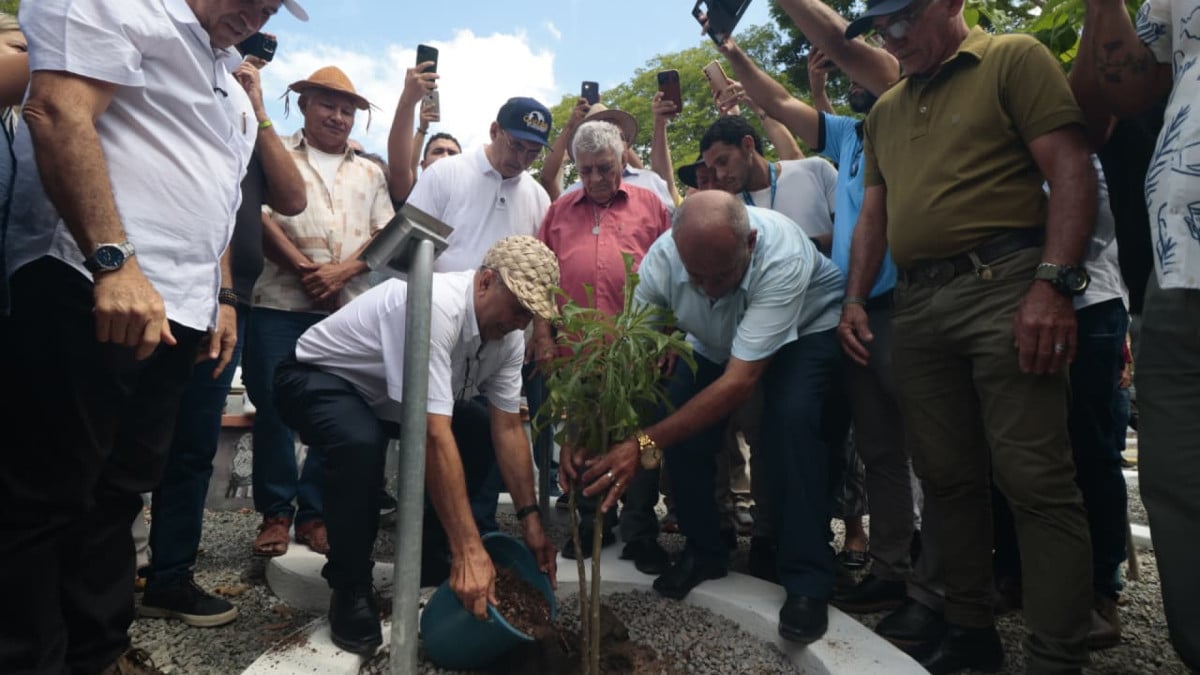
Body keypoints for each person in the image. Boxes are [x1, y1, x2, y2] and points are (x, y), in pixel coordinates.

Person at [0, 0, 305, 672]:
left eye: (271, 7)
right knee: (48, 494)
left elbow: (214, 196)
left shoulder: (227, 74)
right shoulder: (122, 6)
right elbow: (55, 110)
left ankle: (97, 650)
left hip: (176, 310)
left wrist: (219, 297)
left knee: (118, 492)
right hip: (89, 284)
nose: (257, 15)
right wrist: (114, 260)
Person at [838, 0, 1098, 670]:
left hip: (1006, 283)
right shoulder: (885, 111)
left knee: (1035, 476)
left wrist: (1054, 283)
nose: (893, 40)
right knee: (946, 476)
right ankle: (969, 627)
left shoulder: (1013, 58)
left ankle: (1055, 652)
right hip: (919, 303)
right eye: (881, 29)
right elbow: (876, 212)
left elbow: (1071, 166)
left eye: (905, 20)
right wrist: (855, 299)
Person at [567, 190, 845, 644]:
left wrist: (641, 444)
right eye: (697, 278)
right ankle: (705, 550)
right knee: (678, 423)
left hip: (805, 331)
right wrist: (590, 424)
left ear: (750, 243)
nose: (711, 289)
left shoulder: (783, 254)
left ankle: (807, 579)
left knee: (791, 426)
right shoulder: (661, 262)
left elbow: (739, 382)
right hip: (714, 341)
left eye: (722, 275)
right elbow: (631, 357)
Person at [273, 235, 560, 655]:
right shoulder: (433, 307)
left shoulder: (509, 337)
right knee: (359, 442)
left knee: (477, 429)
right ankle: (350, 587)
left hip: (387, 400)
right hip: (316, 376)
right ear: (485, 282)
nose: (521, 322)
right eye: (518, 308)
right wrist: (470, 548)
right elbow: (431, 433)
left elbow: (509, 430)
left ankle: (431, 558)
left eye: (530, 315)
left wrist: (532, 522)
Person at [139, 49, 307, 628]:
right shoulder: (175, 99)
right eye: (243, 51)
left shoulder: (244, 119)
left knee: (191, 446)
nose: (248, 61)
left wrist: (257, 109)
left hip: (218, 305)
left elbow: (291, 199)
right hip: (152, 291)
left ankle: (168, 578)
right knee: (124, 446)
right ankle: (100, 579)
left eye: (260, 56)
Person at [1074, 0, 1200, 667]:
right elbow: (1104, 98)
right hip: (1175, 273)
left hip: (1118, 298)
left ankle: (1104, 587)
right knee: (1174, 482)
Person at [245, 65, 393, 559]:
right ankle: (275, 513)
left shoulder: (371, 171)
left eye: (347, 109)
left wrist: (341, 274)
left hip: (347, 310)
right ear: (304, 104)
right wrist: (308, 270)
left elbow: (384, 233)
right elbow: (259, 218)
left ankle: (314, 513)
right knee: (273, 409)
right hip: (279, 302)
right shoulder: (275, 153)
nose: (337, 116)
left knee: (337, 412)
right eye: (327, 105)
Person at [532, 119, 672, 573]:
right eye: (585, 170)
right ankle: (594, 522)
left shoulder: (652, 205)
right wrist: (542, 334)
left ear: (623, 158)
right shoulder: (558, 210)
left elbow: (676, 274)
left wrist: (670, 334)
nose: (594, 179)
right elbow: (540, 279)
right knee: (583, 438)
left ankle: (640, 530)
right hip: (578, 354)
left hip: (639, 352)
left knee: (644, 440)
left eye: (604, 168)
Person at [384, 58, 438, 203]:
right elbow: (404, 168)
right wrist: (409, 101)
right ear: (424, 164)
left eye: (452, 153)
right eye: (438, 151)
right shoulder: (414, 198)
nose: (445, 156)